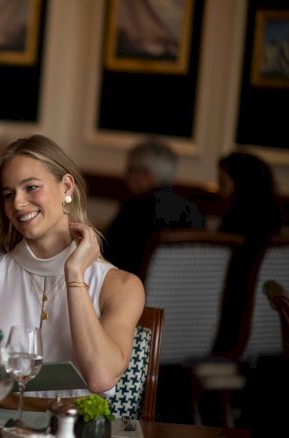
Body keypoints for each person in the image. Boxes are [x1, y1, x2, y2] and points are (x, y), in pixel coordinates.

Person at [0, 135, 145, 403]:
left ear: (67, 186)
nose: (18, 204)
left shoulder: (121, 286)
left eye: (31, 187)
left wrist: (75, 276)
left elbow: (100, 377)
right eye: (9, 194)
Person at [213, 152, 283, 356]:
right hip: (268, 331)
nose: (219, 189)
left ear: (240, 185)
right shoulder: (274, 227)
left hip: (228, 328)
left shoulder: (233, 232)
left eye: (223, 181)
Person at [104, 138, 204, 274]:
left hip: (137, 290)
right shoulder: (194, 210)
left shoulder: (135, 208)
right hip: (188, 291)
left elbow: (108, 257)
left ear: (146, 174)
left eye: (129, 170)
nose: (125, 177)